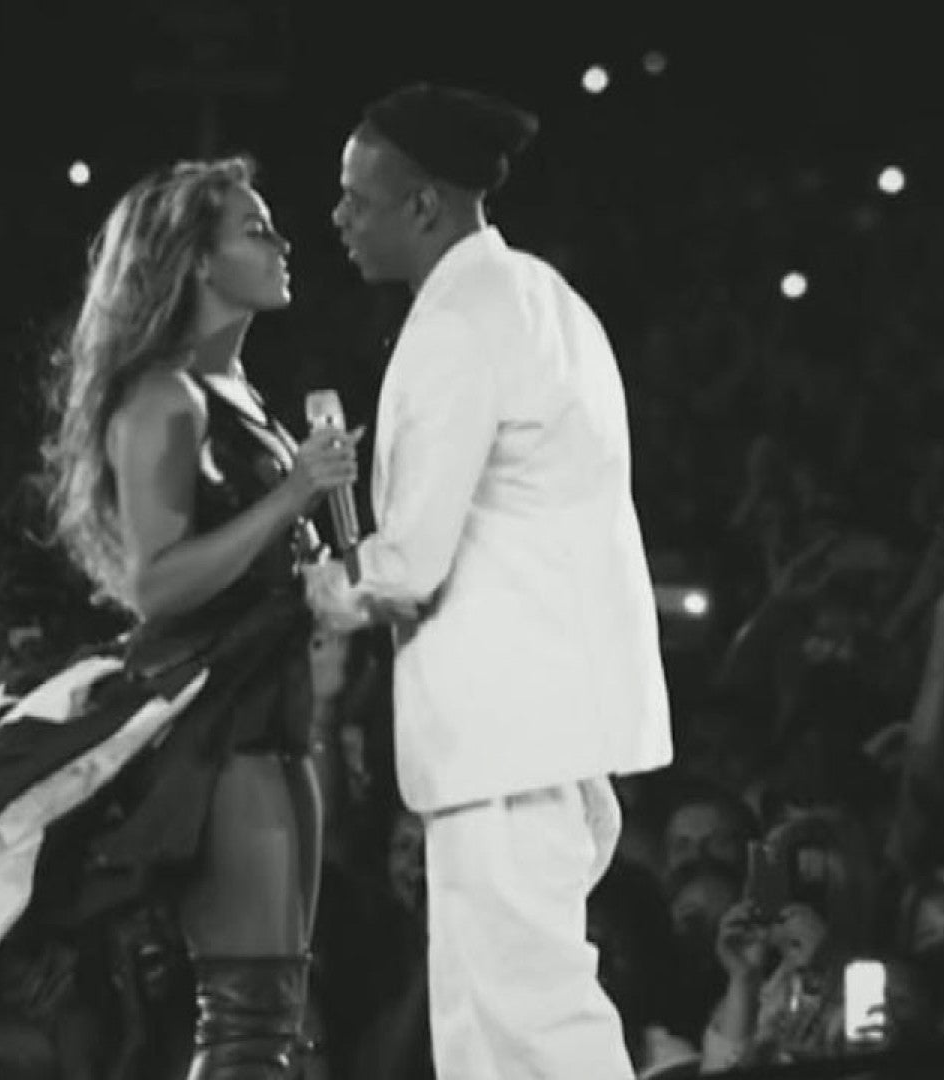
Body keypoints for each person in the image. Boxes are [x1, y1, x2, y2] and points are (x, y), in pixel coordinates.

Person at [304, 83, 673, 1078]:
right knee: (481, 1019)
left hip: (505, 733)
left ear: (424, 204)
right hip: (536, 725)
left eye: (358, 200)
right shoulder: (544, 298)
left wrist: (314, 587)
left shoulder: (459, 322)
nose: (338, 218)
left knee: (528, 1011)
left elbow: (408, 566)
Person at [32, 154, 361, 1077]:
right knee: (245, 1023)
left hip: (280, 713)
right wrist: (291, 495)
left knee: (276, 1018)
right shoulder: (162, 397)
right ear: (199, 262)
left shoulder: (244, 395)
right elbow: (157, 583)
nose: (283, 242)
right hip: (220, 732)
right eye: (257, 229)